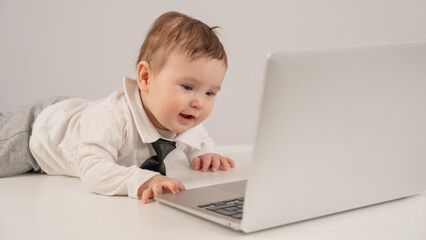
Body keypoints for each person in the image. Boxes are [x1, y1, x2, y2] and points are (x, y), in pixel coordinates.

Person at [0, 11, 235, 204]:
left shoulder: (182, 116)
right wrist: (144, 181)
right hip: (38, 131)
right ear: (145, 77)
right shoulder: (113, 119)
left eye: (210, 92)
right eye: (187, 86)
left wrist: (203, 153)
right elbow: (93, 171)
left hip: (81, 116)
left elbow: (197, 136)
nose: (199, 103)